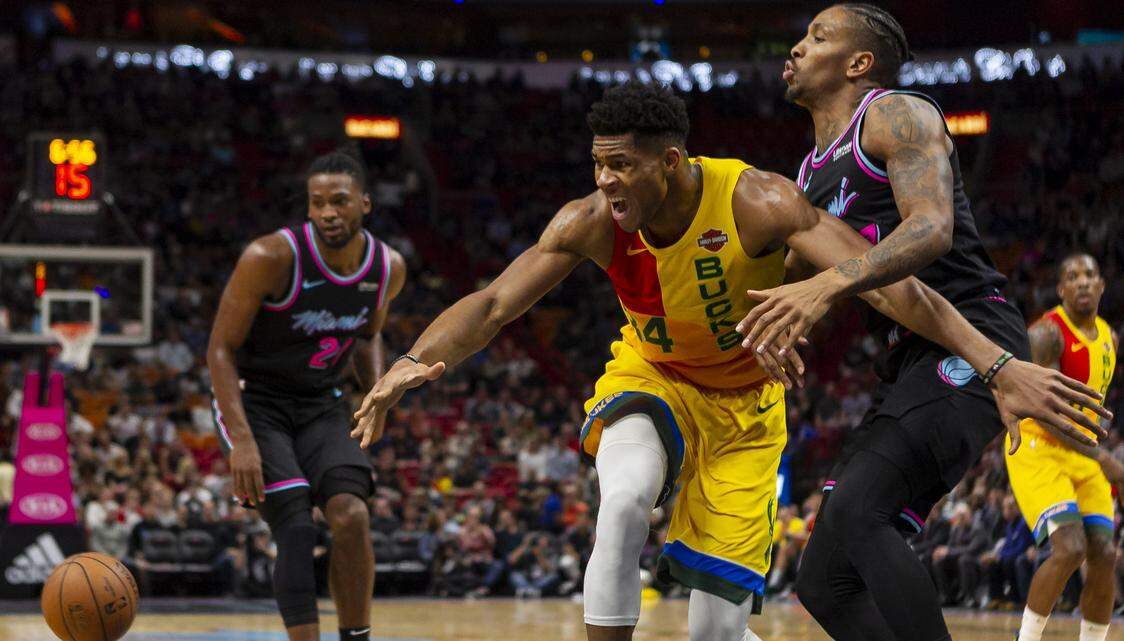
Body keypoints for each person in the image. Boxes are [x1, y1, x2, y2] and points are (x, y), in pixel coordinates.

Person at [349, 82, 1104, 641]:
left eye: (620, 165)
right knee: (623, 500)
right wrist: (412, 360)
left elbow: (891, 288)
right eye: (598, 164)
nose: (605, 180)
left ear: (671, 161)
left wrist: (996, 364)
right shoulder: (591, 221)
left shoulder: (757, 200)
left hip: (746, 413)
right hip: (654, 379)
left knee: (715, 629)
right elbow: (491, 304)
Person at [735, 5, 1113, 640]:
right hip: (908, 358)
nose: (796, 48)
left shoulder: (895, 113)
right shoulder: (807, 175)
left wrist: (827, 282)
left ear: (858, 63)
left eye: (817, 37)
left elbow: (932, 228)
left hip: (974, 335)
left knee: (860, 512)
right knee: (824, 581)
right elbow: (802, 292)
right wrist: (772, 321)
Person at [207, 151, 406, 641]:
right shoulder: (269, 257)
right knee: (295, 525)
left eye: (339, 201)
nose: (327, 213)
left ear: (364, 203)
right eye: (317, 203)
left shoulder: (387, 267)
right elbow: (220, 350)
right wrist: (243, 441)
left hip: (320, 402)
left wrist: (376, 394)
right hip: (256, 403)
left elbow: (367, 336)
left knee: (352, 515)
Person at [1006, 254, 1120, 641]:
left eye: (1089, 275)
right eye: (1072, 276)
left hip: (1081, 450)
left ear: (1101, 285)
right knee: (1070, 548)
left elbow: (1097, 407)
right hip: (1038, 444)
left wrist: (1100, 443)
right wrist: (1104, 457)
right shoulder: (1045, 334)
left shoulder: (1110, 338)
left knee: (1104, 553)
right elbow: (1049, 413)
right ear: (1061, 290)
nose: (1082, 282)